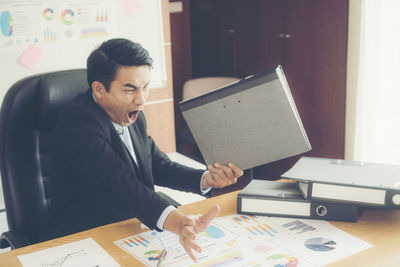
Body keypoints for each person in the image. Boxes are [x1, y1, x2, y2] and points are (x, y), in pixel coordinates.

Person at [41, 38, 243, 262]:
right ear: (99, 90)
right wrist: (177, 222)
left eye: (145, 87)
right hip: (87, 235)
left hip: (130, 224)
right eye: (130, 89)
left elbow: (157, 164)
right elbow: (119, 180)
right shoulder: (77, 122)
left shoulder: (133, 113)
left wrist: (206, 179)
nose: (141, 99)